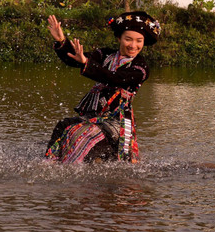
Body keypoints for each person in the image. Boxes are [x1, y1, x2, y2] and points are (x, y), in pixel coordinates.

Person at [44, 10, 161, 164]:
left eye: (139, 41)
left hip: (116, 122)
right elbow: (77, 58)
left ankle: (73, 167)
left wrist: (86, 63)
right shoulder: (105, 55)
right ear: (119, 38)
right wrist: (61, 41)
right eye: (128, 39)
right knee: (63, 125)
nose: (133, 45)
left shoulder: (141, 67)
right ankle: (49, 164)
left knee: (80, 133)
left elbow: (114, 78)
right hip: (94, 116)